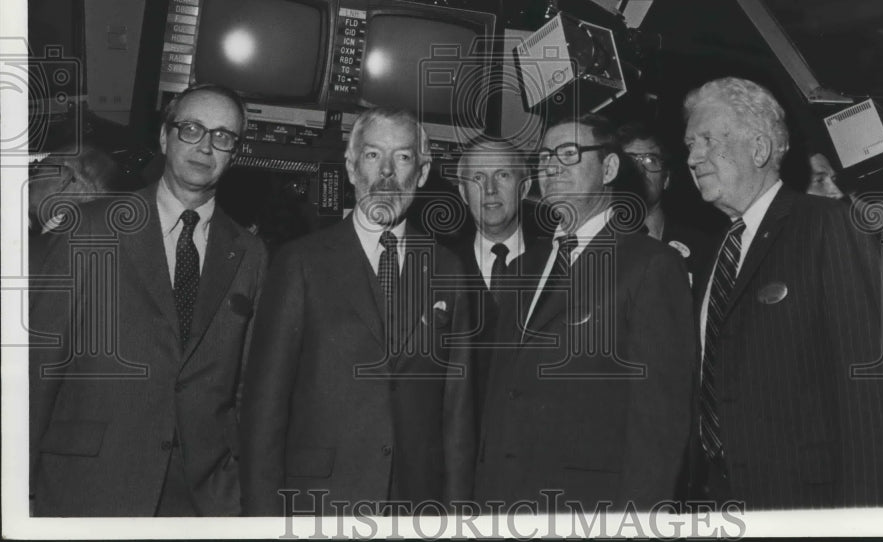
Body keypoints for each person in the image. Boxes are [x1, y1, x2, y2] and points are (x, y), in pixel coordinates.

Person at [30, 83, 267, 516]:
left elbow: (246, 387)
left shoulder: (249, 254)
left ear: (235, 152)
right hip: (87, 487)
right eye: (191, 129)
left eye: (223, 136)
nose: (205, 146)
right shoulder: (90, 229)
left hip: (199, 499)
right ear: (164, 136)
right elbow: (38, 367)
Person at [683, 77, 883, 509]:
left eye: (708, 140)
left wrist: (866, 518)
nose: (693, 157)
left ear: (759, 148)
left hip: (809, 503)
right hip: (721, 500)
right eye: (690, 144)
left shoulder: (827, 225)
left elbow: (876, 388)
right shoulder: (717, 251)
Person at [239, 107, 475, 515]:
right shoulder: (301, 263)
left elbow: (457, 413)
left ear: (421, 173)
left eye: (403, 157)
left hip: (413, 507)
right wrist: (263, 522)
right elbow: (264, 406)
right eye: (372, 155)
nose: (387, 172)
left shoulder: (447, 269)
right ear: (351, 168)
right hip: (318, 504)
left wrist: (455, 521)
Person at [475, 114, 695, 512]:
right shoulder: (523, 267)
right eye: (545, 156)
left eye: (569, 153)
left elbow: (659, 424)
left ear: (608, 168)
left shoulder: (650, 265)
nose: (551, 166)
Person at [454, 137, 532, 422]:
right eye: (477, 178)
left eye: (503, 175)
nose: (489, 189)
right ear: (463, 192)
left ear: (525, 187)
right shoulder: (440, 269)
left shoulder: (560, 265)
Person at [617, 120, 711, 284]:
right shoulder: (594, 243)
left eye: (650, 160)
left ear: (666, 179)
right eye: (629, 161)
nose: (639, 170)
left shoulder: (701, 247)